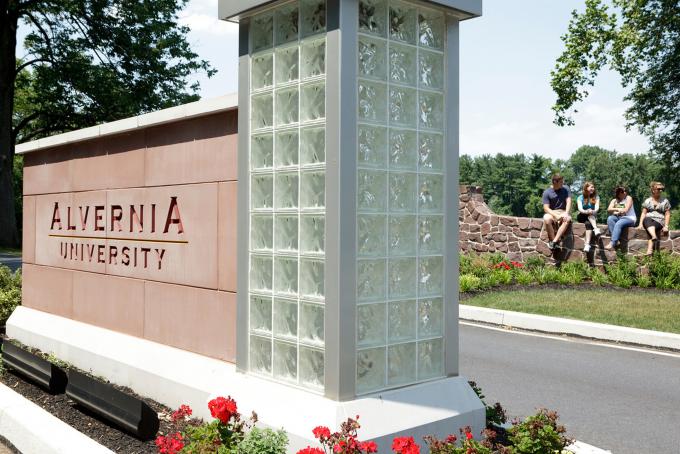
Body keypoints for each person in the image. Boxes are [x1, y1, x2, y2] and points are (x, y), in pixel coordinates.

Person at [638, 181, 672, 255]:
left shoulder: (665, 201)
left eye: (661, 189)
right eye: (658, 189)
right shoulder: (648, 201)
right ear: (653, 190)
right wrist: (640, 224)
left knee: (651, 227)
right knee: (647, 219)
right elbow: (644, 213)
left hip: (659, 221)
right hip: (648, 220)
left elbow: (667, 214)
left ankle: (650, 249)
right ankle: (654, 237)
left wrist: (666, 226)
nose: (660, 191)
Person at [542, 173, 572, 250]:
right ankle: (553, 240)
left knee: (567, 219)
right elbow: (546, 208)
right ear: (555, 182)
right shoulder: (547, 192)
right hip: (552, 212)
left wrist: (566, 213)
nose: (563, 183)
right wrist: (556, 216)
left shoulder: (566, 189)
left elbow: (568, 202)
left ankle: (554, 242)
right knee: (546, 218)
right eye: (561, 182)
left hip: (563, 211)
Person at [605, 186, 636, 250]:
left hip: (629, 218)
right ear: (618, 193)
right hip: (619, 217)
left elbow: (625, 210)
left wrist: (617, 211)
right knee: (610, 219)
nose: (624, 192)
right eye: (622, 191)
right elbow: (609, 209)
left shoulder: (628, 198)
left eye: (625, 191)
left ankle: (613, 242)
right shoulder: (614, 201)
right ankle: (617, 240)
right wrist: (618, 209)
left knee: (619, 223)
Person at [576, 181, 602, 252]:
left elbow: (596, 208)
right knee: (589, 213)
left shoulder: (595, 197)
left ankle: (587, 244)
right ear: (586, 188)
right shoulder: (580, 197)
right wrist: (587, 211)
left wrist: (592, 211)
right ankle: (596, 228)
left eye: (593, 187)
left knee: (588, 224)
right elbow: (580, 209)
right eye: (591, 187)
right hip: (582, 215)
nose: (593, 189)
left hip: (591, 216)